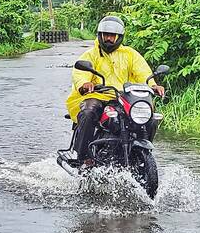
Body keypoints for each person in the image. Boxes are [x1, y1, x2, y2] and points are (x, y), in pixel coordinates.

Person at [65, 15, 166, 167]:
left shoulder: (130, 54)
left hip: (123, 96)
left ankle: (140, 151)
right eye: (106, 35)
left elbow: (143, 72)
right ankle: (83, 157)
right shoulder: (91, 54)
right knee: (88, 111)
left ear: (119, 37)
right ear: (100, 35)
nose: (109, 39)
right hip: (98, 95)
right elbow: (80, 73)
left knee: (148, 116)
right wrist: (85, 83)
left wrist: (152, 85)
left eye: (112, 36)